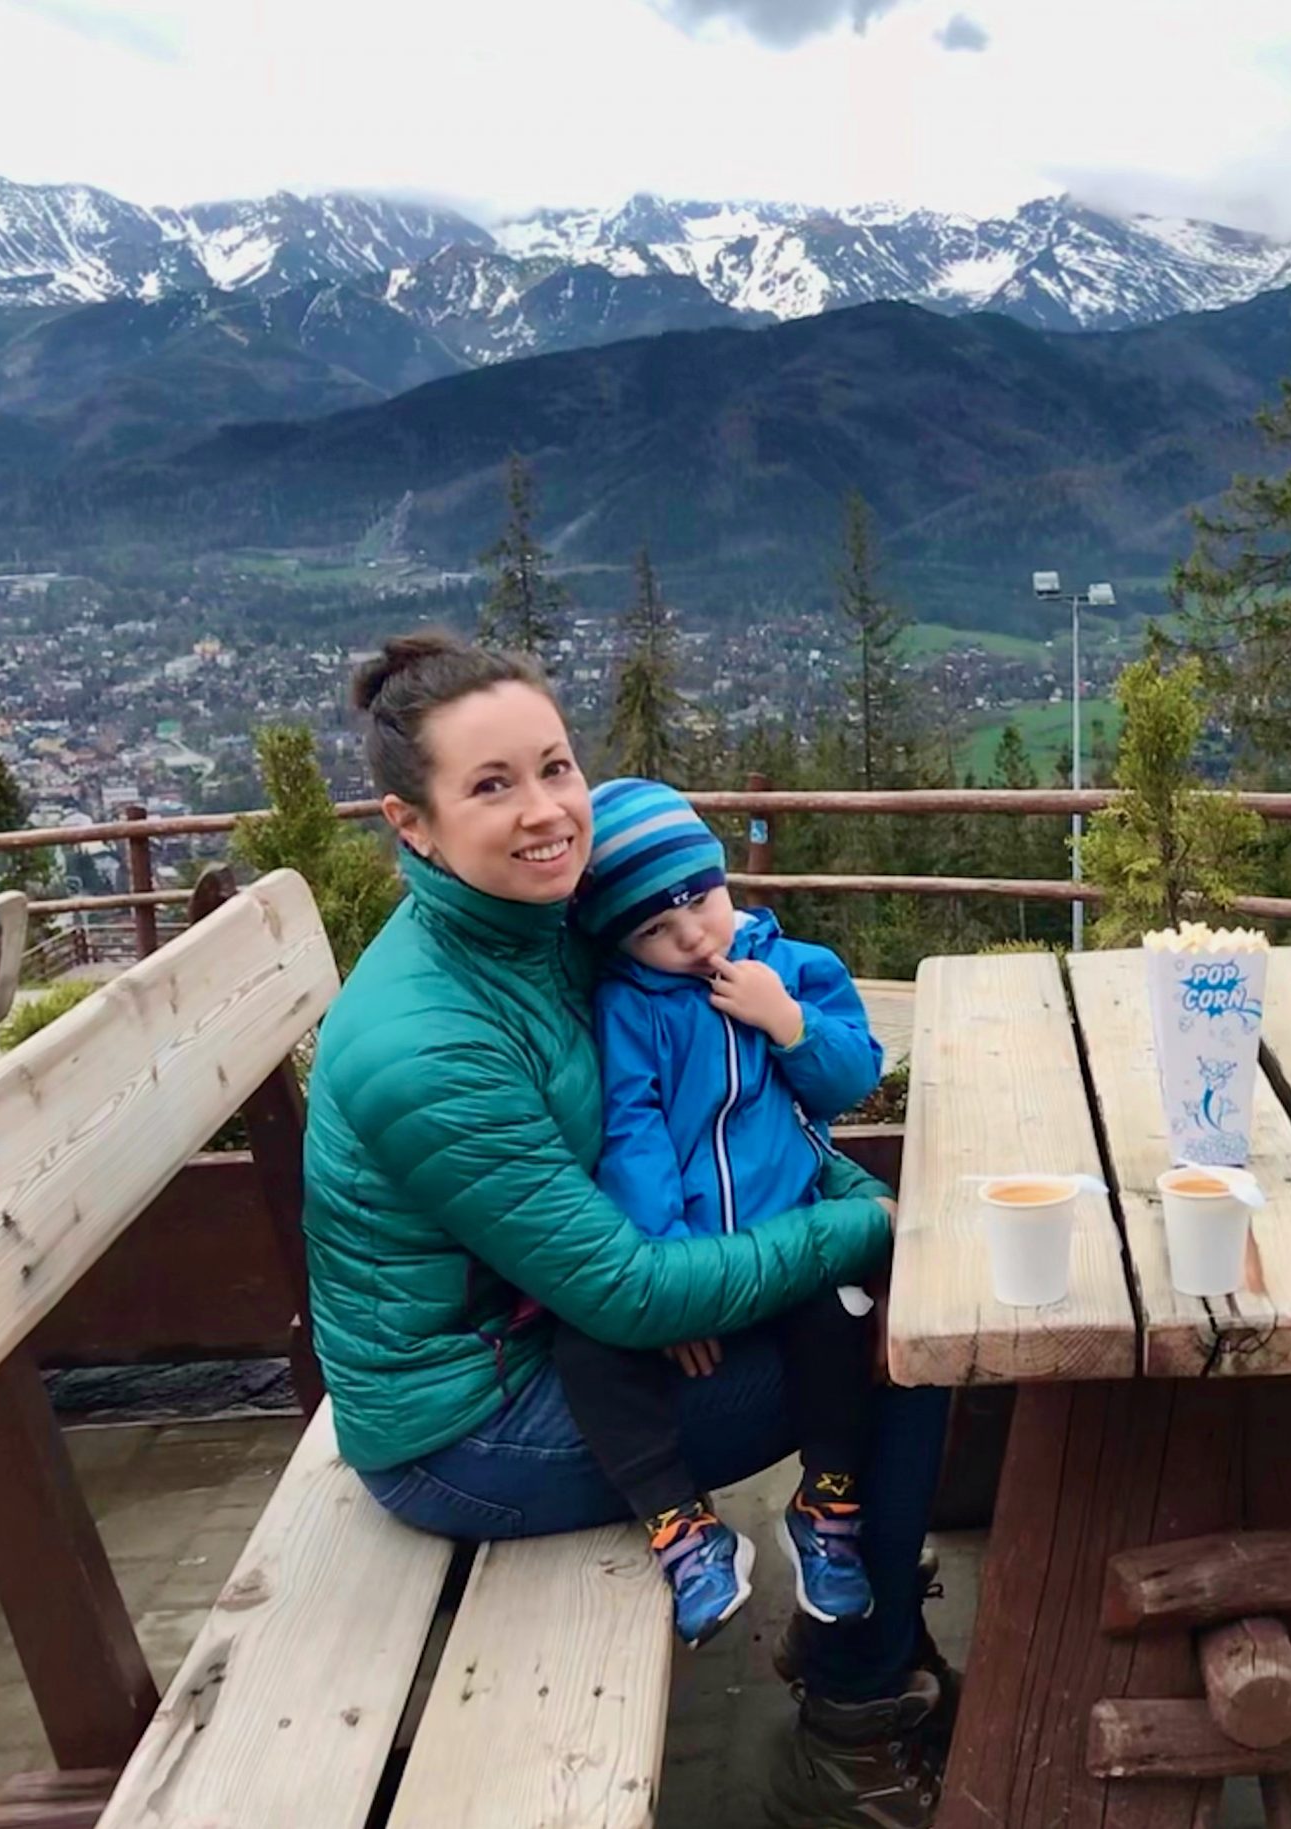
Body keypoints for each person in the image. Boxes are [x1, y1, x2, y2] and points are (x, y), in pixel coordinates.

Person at [301, 631, 952, 1825]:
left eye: (556, 767)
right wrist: (868, 1225)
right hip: (470, 1422)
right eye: (491, 785)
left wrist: (840, 1195)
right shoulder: (425, 1039)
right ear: (413, 823)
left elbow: (720, 1117)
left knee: (901, 1307)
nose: (546, 810)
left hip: (560, 1327)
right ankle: (854, 1714)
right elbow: (629, 1294)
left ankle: (858, 1617)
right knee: (903, 1343)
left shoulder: (554, 925)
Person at [562, 776, 888, 1646]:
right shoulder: (630, 1006)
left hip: (787, 1234)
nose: (690, 934)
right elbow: (631, 1137)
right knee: (587, 1349)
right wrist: (675, 1279)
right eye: (653, 929)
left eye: (699, 901)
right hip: (691, 1263)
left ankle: (827, 1501)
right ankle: (681, 1525)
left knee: (846, 1315)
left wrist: (788, 1023)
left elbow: (851, 1078)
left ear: (720, 877)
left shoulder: (794, 967)